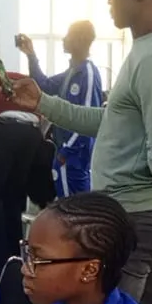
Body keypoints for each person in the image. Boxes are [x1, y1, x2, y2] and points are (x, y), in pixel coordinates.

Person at [11, 0, 152, 304]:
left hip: (138, 216)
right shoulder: (151, 49)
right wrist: (43, 102)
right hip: (141, 214)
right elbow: (111, 121)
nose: (110, 0)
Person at [0, 65, 51, 270]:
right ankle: (16, 258)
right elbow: (45, 113)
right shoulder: (25, 79)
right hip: (31, 134)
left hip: (1, 132)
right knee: (15, 199)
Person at [18, 22, 106, 198]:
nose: (64, 39)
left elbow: (87, 118)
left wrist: (67, 152)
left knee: (75, 211)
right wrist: (31, 55)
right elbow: (44, 86)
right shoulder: (71, 72)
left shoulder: (87, 73)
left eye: (68, 35)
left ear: (78, 40)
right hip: (64, 153)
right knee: (67, 208)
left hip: (74, 157)